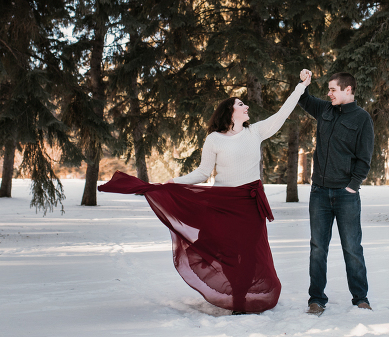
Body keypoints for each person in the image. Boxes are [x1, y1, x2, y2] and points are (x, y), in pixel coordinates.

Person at [98, 74, 310, 314]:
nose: (246, 106)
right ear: (229, 112)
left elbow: (283, 113)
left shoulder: (256, 132)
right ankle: (235, 292)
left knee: (250, 252)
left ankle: (240, 297)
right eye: (240, 104)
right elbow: (202, 172)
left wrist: (300, 87)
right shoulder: (214, 139)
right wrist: (172, 182)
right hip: (222, 203)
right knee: (225, 250)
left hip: (250, 204)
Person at [297, 70, 374, 315]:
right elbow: (303, 99)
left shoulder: (362, 118)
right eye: (328, 89)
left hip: (346, 194)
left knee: (352, 248)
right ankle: (316, 300)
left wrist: (353, 184)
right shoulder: (325, 110)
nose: (328, 93)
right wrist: (303, 83)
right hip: (319, 192)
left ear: (348, 90)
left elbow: (364, 157)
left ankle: (361, 298)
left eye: (333, 89)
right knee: (318, 247)